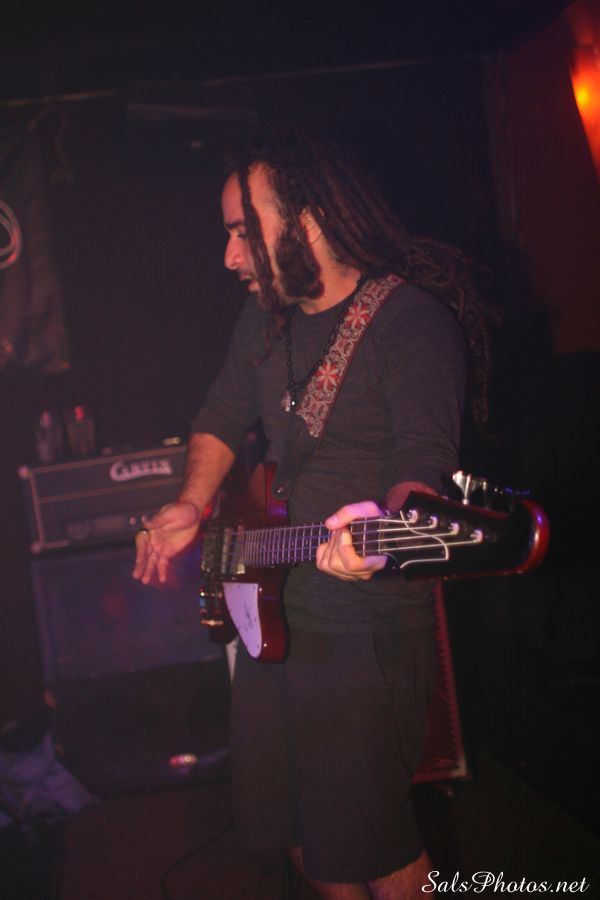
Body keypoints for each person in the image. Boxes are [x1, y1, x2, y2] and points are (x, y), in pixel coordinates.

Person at [133, 130, 494, 899]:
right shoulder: (263, 321)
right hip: (268, 615)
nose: (229, 256)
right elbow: (221, 415)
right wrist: (191, 503)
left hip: (359, 629)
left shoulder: (410, 323)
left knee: (375, 847)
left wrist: (382, 528)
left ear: (310, 221)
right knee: (296, 831)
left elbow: (424, 470)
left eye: (243, 230)